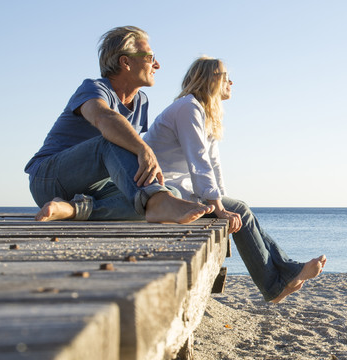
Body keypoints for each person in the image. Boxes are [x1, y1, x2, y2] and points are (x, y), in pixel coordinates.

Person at [143, 57, 325, 303]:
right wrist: (219, 208)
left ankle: (286, 273)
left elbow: (214, 165)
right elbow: (199, 161)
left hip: (183, 190)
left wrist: (223, 206)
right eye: (225, 76)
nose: (231, 82)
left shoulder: (204, 112)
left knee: (238, 207)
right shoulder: (189, 108)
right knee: (239, 208)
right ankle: (275, 285)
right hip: (165, 192)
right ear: (211, 79)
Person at [25, 26, 214, 223]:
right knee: (113, 139)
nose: (157, 65)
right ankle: (157, 202)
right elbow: (104, 118)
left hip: (94, 187)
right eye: (150, 57)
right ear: (125, 61)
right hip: (48, 179)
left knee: (168, 192)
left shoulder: (141, 101)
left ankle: (72, 209)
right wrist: (143, 149)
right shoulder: (93, 88)